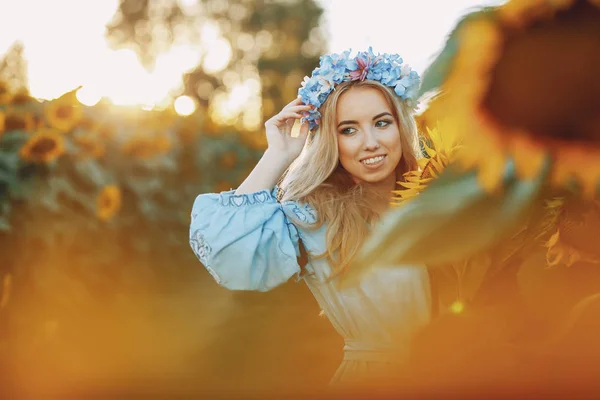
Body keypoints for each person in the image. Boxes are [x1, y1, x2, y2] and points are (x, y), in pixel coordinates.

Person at [189, 48, 432, 390]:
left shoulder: (436, 200)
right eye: (349, 130)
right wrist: (279, 155)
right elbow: (223, 245)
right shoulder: (318, 217)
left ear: (400, 126)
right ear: (331, 141)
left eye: (381, 122)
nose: (371, 143)